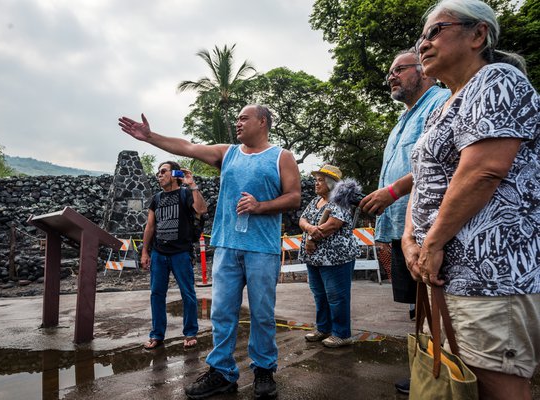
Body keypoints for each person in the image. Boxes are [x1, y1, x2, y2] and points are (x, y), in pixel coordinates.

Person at [403, 1, 540, 399]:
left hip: (490, 272)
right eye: (421, 37)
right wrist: (412, 240)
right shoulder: (440, 107)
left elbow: (484, 170)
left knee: (495, 383)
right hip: (443, 270)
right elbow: (426, 181)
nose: (423, 45)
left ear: (478, 34)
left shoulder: (498, 79)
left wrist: (432, 242)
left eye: (435, 31)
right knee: (458, 379)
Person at [119, 104, 301, 400]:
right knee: (222, 312)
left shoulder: (281, 157)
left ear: (263, 122)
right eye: (237, 118)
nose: (238, 123)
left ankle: (264, 370)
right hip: (227, 247)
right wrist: (150, 137)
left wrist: (260, 206)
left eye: (244, 118)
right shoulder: (228, 152)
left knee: (263, 314)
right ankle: (222, 372)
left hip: (262, 249)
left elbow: (294, 197)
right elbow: (188, 147)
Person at [359, 48, 450, 394]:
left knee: (438, 302)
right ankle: (427, 368)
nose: (391, 77)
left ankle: (445, 370)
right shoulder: (403, 119)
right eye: (390, 73)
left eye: (398, 69)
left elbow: (434, 162)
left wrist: (392, 193)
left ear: (423, 70)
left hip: (428, 225)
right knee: (418, 305)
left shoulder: (440, 100)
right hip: (401, 225)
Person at [141, 161, 208, 350]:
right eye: (158, 173)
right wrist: (145, 252)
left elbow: (201, 209)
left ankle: (190, 333)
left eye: (163, 171)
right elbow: (150, 226)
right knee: (156, 294)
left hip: (181, 253)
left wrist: (191, 184)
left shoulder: (185, 194)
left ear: (174, 174)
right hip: (159, 254)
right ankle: (157, 335)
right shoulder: (156, 198)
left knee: (188, 293)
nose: (159, 175)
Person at [298, 164, 359, 348]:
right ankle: (323, 328)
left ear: (331, 183)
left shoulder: (340, 201)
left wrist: (312, 237)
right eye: (316, 179)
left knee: (336, 296)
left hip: (335, 258)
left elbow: (333, 225)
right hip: (314, 258)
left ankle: (342, 333)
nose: (316, 183)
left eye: (320, 180)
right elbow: (303, 219)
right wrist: (310, 229)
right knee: (319, 294)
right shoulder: (315, 201)